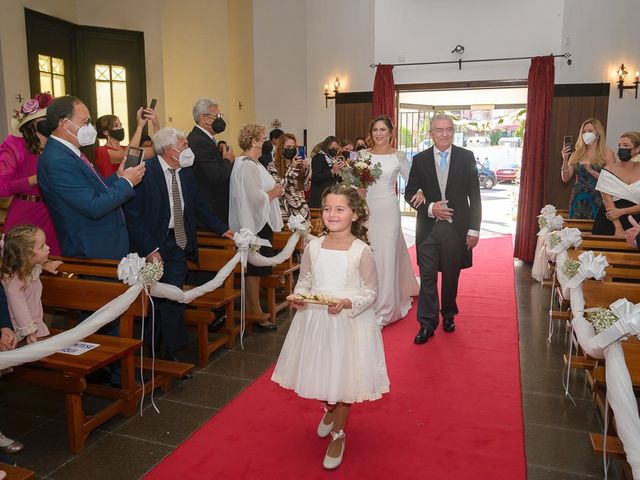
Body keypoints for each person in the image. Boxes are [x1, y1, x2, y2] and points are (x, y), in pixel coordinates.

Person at [271, 185, 389, 470]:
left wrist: (348, 303)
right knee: (321, 373)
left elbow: (371, 291)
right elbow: (305, 281)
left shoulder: (361, 251)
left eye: (340, 209)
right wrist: (299, 298)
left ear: (355, 214)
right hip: (316, 321)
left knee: (345, 380)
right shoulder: (313, 246)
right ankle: (329, 407)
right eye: (327, 208)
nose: (332, 214)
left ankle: (339, 433)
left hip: (347, 323)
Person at [124, 127, 233, 361]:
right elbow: (133, 216)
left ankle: (172, 353)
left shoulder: (184, 172)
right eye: (184, 145)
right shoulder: (146, 172)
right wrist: (150, 249)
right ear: (170, 150)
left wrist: (223, 229)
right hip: (151, 243)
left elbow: (199, 205)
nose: (188, 149)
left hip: (179, 242)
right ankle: (153, 353)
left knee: (174, 298)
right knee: (152, 301)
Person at [37, 95, 145, 259]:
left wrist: (118, 176)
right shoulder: (58, 160)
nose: (90, 128)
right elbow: (93, 206)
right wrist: (127, 182)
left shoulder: (69, 151)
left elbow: (94, 190)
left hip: (104, 244)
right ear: (65, 124)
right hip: (92, 248)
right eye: (85, 122)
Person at [404, 113, 481, 344]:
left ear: (453, 132)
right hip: (428, 228)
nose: (444, 134)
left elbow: (475, 196)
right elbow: (409, 193)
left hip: (456, 229)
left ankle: (448, 313)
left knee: (450, 275)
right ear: (431, 133)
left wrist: (474, 229)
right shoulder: (419, 160)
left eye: (448, 129)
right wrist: (429, 209)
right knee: (427, 277)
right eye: (439, 130)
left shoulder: (467, 157)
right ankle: (426, 324)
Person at [364, 115, 419, 327]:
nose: (378, 134)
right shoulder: (362, 156)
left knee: (386, 255)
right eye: (375, 130)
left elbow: (412, 181)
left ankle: (386, 308)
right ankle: (367, 299)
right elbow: (354, 184)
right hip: (366, 211)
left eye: (382, 130)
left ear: (390, 132)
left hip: (388, 211)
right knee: (369, 255)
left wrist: (422, 192)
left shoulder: (398, 157)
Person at [229, 123, 284, 329]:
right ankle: (255, 312)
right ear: (253, 141)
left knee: (258, 269)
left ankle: (254, 308)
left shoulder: (251, 162)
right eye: (261, 139)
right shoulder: (247, 164)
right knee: (254, 269)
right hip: (255, 224)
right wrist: (274, 193)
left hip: (257, 222)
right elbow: (253, 197)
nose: (265, 142)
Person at [0, 92, 61, 256]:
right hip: (25, 217)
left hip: (53, 215)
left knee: (53, 267)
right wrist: (34, 180)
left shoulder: (58, 149)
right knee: (21, 269)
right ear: (32, 124)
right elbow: (2, 187)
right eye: (45, 120)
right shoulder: (15, 146)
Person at [0, 224, 61, 344]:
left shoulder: (28, 268)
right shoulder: (14, 281)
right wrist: (30, 332)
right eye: (42, 246)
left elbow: (36, 264)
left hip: (35, 323)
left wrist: (46, 264)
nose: (48, 248)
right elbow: (19, 309)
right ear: (26, 255)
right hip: (21, 332)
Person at [187, 97, 235, 224]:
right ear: (203, 119)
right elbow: (216, 175)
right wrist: (227, 160)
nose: (220, 119)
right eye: (217, 116)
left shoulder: (206, 139)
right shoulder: (200, 141)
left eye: (221, 115)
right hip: (210, 209)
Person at [561, 118, 615, 219]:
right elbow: (565, 178)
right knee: (575, 231)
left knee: (596, 230)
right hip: (578, 198)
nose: (586, 134)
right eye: (584, 132)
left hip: (598, 197)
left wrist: (591, 171)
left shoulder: (607, 154)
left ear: (598, 133)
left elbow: (610, 181)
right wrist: (565, 159)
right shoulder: (576, 154)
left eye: (590, 131)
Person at [592, 131, 640, 236]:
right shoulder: (608, 171)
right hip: (610, 221)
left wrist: (622, 211)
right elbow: (608, 202)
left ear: (637, 149)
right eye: (619, 145)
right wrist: (618, 228)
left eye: (626, 145)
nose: (621, 148)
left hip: (636, 222)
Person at [94, 107, 159, 178]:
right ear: (105, 132)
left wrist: (155, 123)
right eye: (116, 125)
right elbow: (126, 155)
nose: (120, 128)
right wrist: (140, 126)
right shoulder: (101, 151)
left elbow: (154, 150)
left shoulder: (125, 148)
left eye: (121, 124)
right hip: (114, 187)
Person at [267, 132, 311, 222]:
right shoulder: (272, 166)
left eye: (294, 147)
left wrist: (307, 169)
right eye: (288, 147)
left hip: (301, 210)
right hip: (284, 212)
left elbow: (306, 187)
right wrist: (292, 168)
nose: (291, 150)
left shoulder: (300, 165)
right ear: (281, 148)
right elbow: (280, 188)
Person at [309, 135, 342, 208]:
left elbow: (336, 179)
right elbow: (315, 177)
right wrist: (332, 171)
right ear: (326, 147)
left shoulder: (333, 160)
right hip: (320, 197)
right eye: (332, 148)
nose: (335, 150)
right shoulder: (319, 157)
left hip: (330, 195)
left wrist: (340, 172)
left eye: (336, 148)